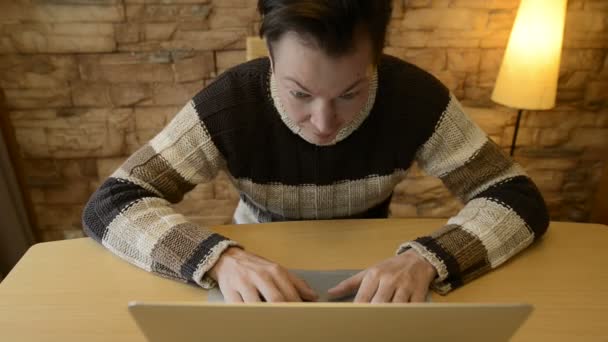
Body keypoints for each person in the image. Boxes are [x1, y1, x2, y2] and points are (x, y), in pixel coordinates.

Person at [82, 0, 549, 303]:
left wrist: (427, 258)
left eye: (350, 93)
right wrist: (219, 259)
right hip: (254, 265)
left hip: (373, 268)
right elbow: (112, 202)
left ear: (376, 60)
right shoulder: (228, 107)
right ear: (269, 56)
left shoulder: (415, 99)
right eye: (300, 94)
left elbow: (515, 195)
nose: (324, 124)